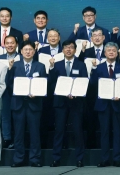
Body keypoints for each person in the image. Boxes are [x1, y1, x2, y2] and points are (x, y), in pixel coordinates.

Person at [48, 40, 88, 168]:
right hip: (60, 102)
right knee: (59, 131)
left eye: (71, 47)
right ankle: (56, 158)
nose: (69, 50)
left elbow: (84, 82)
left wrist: (77, 92)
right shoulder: (57, 65)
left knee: (78, 131)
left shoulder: (81, 65)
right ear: (62, 50)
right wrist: (52, 69)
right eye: (66, 47)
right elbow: (51, 83)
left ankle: (80, 159)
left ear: (75, 50)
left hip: (76, 102)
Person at [8, 41, 47, 167]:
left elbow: (44, 84)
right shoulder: (14, 65)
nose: (28, 52)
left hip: (34, 104)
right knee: (18, 134)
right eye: (25, 49)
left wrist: (37, 92)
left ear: (34, 51)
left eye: (30, 49)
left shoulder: (40, 66)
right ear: (21, 51)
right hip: (18, 104)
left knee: (35, 133)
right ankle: (18, 159)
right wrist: (9, 70)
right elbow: (8, 84)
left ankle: (35, 159)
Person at [90, 42, 120, 167]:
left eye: (113, 50)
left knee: (117, 132)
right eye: (109, 50)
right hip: (103, 104)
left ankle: (117, 159)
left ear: (117, 54)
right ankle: (104, 159)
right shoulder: (99, 68)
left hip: (118, 104)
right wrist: (93, 69)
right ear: (104, 53)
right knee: (104, 132)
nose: (111, 52)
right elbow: (93, 84)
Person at [0, 35, 19, 149]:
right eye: (7, 43)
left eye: (12, 43)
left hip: (19, 91)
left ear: (16, 44)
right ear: (4, 45)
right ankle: (7, 138)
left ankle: (17, 139)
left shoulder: (22, 56)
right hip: (4, 91)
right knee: (5, 116)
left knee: (17, 117)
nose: (10, 45)